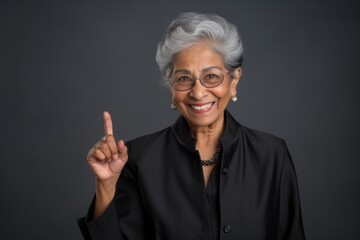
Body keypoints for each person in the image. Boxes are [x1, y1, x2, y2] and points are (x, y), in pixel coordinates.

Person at [78, 12, 306, 240]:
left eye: (212, 76)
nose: (198, 92)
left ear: (234, 81)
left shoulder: (272, 155)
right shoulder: (138, 159)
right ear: (171, 86)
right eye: (184, 79)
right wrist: (106, 185)